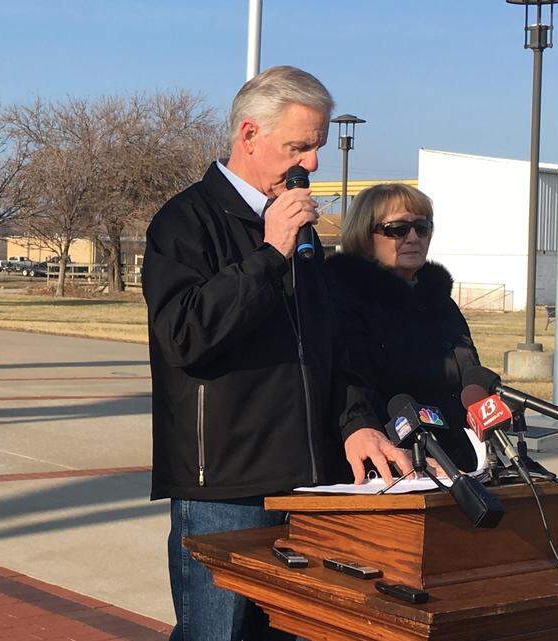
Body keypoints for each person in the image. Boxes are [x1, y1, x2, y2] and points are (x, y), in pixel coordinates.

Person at [142, 65, 408, 641]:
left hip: (312, 481)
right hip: (228, 487)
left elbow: (330, 347)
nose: (312, 162)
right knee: (217, 633)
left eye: (316, 146)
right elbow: (185, 334)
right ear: (249, 135)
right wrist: (269, 254)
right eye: (300, 146)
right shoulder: (184, 222)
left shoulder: (300, 224)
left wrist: (357, 422)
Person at [326, 183, 480, 473]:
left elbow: (469, 368)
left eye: (422, 228)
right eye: (397, 229)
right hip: (383, 468)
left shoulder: (439, 302)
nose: (413, 238)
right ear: (365, 234)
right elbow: (350, 385)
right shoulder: (345, 298)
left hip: (453, 462)